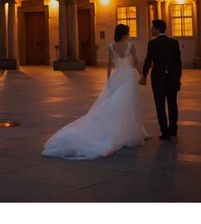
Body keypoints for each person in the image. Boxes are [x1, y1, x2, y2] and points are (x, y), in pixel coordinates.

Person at [43, 24, 150, 160]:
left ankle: (120, 128)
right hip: (128, 76)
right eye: (128, 33)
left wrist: (108, 80)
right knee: (129, 104)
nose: (129, 35)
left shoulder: (111, 46)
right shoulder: (130, 46)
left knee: (115, 105)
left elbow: (109, 65)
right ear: (124, 34)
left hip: (117, 77)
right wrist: (142, 75)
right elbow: (136, 62)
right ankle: (128, 131)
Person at [139, 19, 182, 140]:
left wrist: (143, 76)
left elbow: (148, 61)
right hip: (172, 77)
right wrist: (178, 77)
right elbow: (178, 62)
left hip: (158, 78)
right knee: (172, 103)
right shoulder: (174, 42)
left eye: (152, 28)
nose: (151, 30)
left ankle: (164, 131)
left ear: (158, 29)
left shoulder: (152, 43)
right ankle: (173, 128)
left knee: (160, 105)